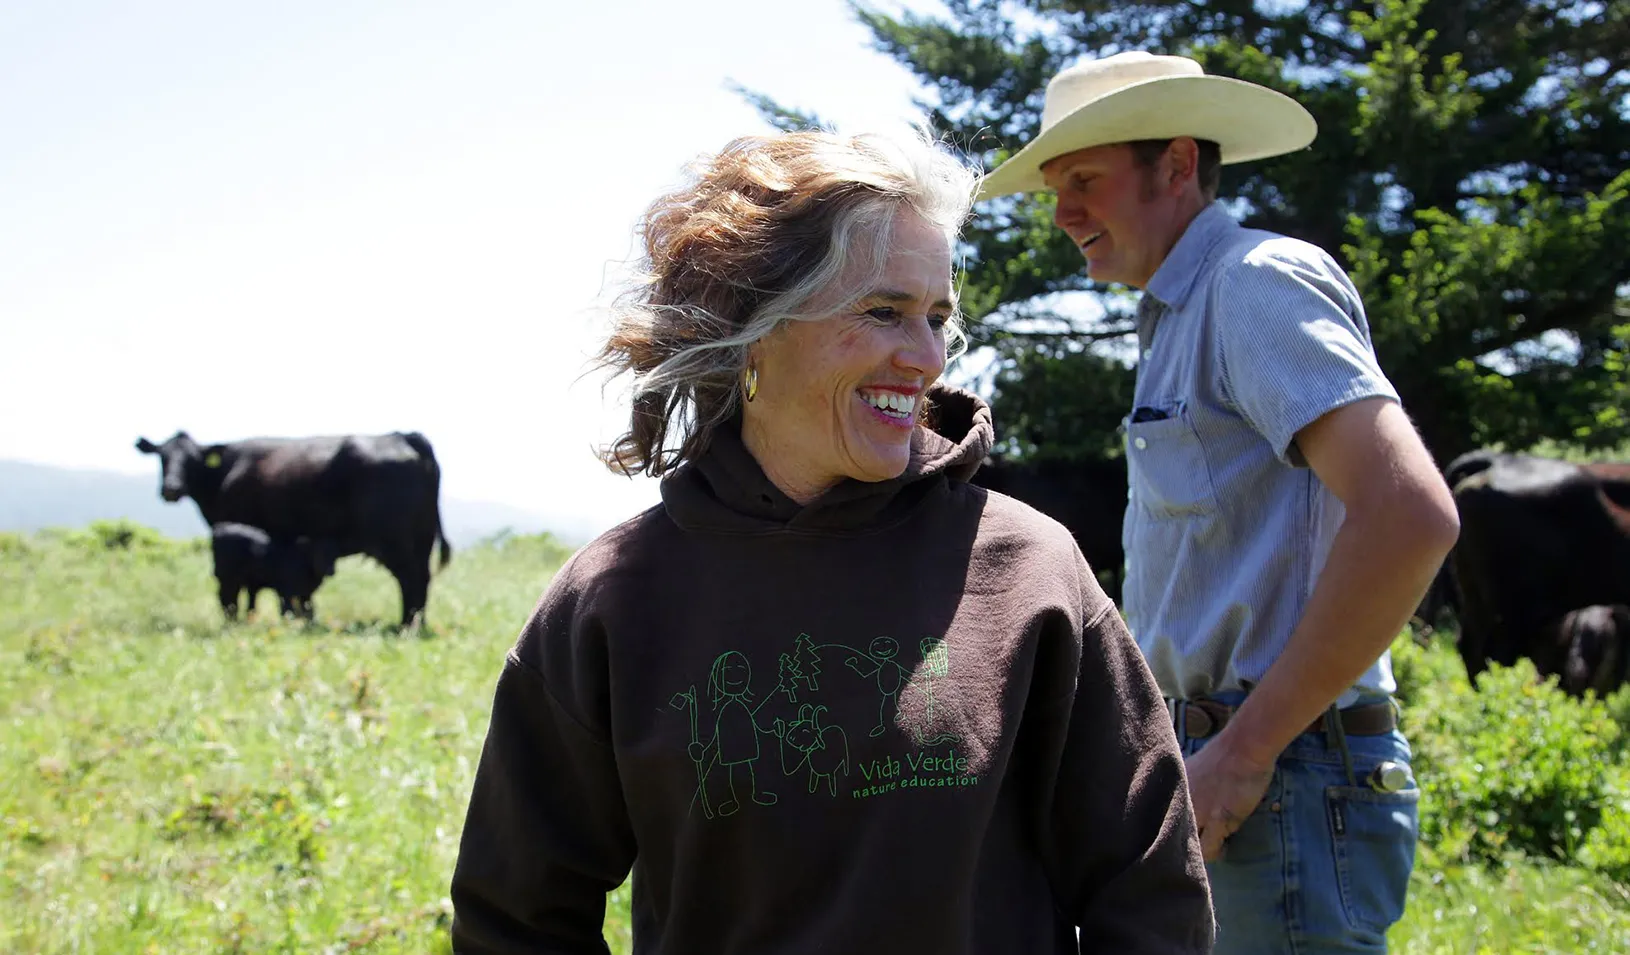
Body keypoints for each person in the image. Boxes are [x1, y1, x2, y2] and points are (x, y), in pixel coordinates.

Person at [448, 126, 1215, 953]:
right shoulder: (613, 598)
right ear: (754, 329)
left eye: (937, 318)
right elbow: (517, 918)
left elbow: (1150, 890)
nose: (924, 358)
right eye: (882, 311)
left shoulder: (1029, 572)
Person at [976, 51, 1461, 953]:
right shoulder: (1180, 311)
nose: (1063, 213)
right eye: (1054, 188)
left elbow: (1409, 513)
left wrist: (1242, 754)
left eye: (1085, 179)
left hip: (1279, 776)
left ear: (1179, 163)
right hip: (1248, 772)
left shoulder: (1253, 283)